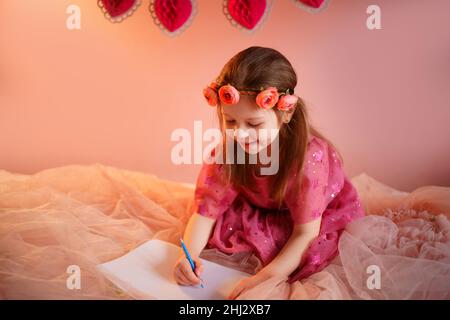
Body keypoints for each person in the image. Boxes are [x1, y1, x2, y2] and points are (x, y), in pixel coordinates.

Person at [173, 46, 365, 299]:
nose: (239, 133)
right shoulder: (230, 150)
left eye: (254, 123)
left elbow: (306, 233)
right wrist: (186, 257)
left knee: (302, 258)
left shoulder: (309, 159)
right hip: (255, 208)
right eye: (230, 121)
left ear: (286, 114)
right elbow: (205, 212)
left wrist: (263, 279)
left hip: (308, 220)